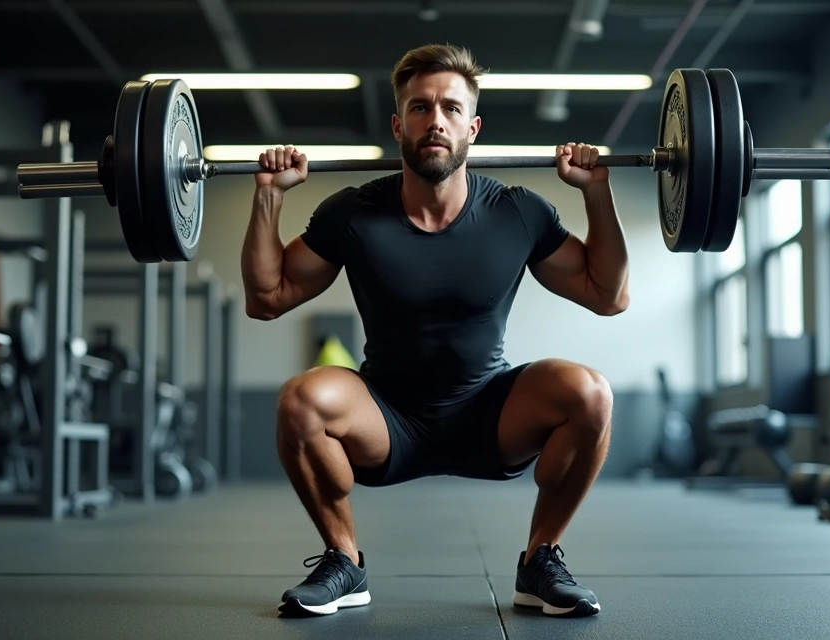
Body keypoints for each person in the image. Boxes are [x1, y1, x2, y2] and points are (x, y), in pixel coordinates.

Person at [240, 43, 629, 619]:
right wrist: (268, 198)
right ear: (399, 124)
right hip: (387, 417)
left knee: (590, 393)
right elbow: (266, 298)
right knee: (300, 401)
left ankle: (540, 560)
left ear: (472, 127)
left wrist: (597, 191)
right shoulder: (352, 213)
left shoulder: (518, 211)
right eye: (420, 108)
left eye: (450, 108)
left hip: (490, 411)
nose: (435, 120)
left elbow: (608, 294)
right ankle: (344, 562)